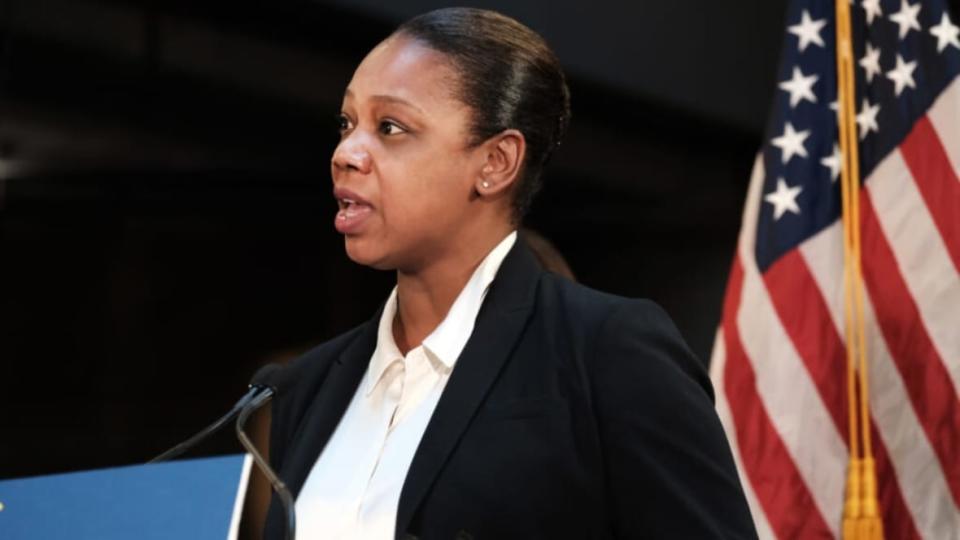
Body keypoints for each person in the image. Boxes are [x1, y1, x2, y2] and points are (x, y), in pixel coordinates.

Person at [264, 8, 757, 540]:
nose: (346, 154)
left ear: (496, 162)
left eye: (390, 127)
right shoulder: (306, 388)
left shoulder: (607, 353)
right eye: (347, 124)